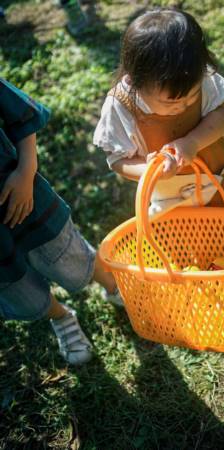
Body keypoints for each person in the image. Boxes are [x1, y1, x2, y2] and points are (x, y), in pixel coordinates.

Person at [93, 7, 224, 284]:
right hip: (172, 198)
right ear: (136, 82)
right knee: (190, 241)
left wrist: (192, 141)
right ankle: (213, 274)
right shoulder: (121, 106)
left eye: (191, 98)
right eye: (172, 102)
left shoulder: (198, 77)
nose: (183, 105)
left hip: (221, 173)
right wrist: (149, 169)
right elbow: (116, 160)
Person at [0, 78, 118, 365]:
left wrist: (26, 171)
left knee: (67, 255)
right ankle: (61, 316)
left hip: (26, 203)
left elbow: (23, 115)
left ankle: (112, 285)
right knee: (20, 290)